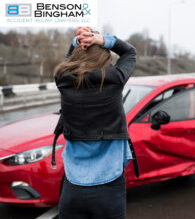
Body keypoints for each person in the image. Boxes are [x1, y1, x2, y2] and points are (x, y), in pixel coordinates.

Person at [52, 26, 138, 219]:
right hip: (109, 186)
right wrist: (101, 40)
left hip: (73, 186)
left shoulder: (63, 80)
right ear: (105, 58)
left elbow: (68, 60)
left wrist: (79, 40)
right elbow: (130, 52)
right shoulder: (114, 79)